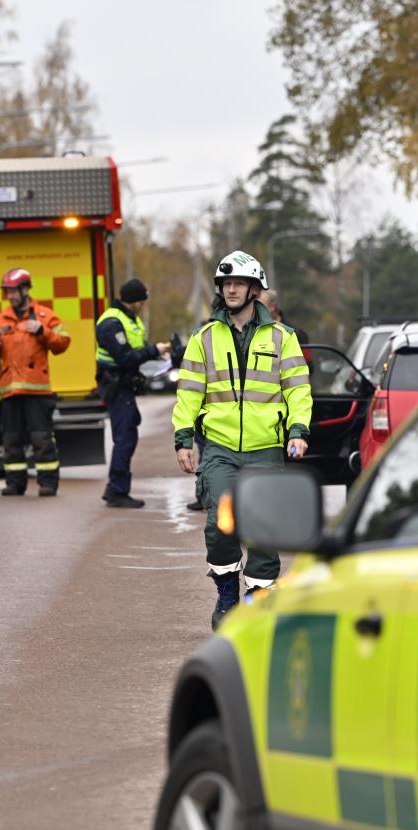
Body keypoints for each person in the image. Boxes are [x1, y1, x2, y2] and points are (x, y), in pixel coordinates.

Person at [173, 251, 313, 629]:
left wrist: (298, 431)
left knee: (264, 529)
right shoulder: (204, 338)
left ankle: (257, 603)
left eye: (238, 283)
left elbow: (298, 391)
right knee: (221, 523)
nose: (231, 289)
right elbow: (189, 392)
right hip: (219, 448)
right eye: (225, 283)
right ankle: (227, 596)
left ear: (255, 288)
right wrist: (183, 437)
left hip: (266, 447)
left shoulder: (283, 338)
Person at [0, 267, 71, 496]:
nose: (10, 296)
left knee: (41, 439)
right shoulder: (0, 320)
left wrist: (43, 331)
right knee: (11, 441)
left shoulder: (44, 315)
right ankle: (15, 483)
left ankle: (48, 483)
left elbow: (63, 343)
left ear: (25, 290)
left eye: (14, 291)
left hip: (37, 392)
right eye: (7, 292)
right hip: (10, 392)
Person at [96, 278, 170, 508]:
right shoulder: (111, 323)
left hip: (124, 385)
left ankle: (115, 488)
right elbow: (125, 357)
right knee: (125, 438)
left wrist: (156, 353)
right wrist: (153, 350)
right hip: (115, 384)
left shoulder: (130, 319)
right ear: (136, 301)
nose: (143, 306)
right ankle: (117, 490)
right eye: (143, 301)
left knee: (128, 434)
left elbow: (135, 351)